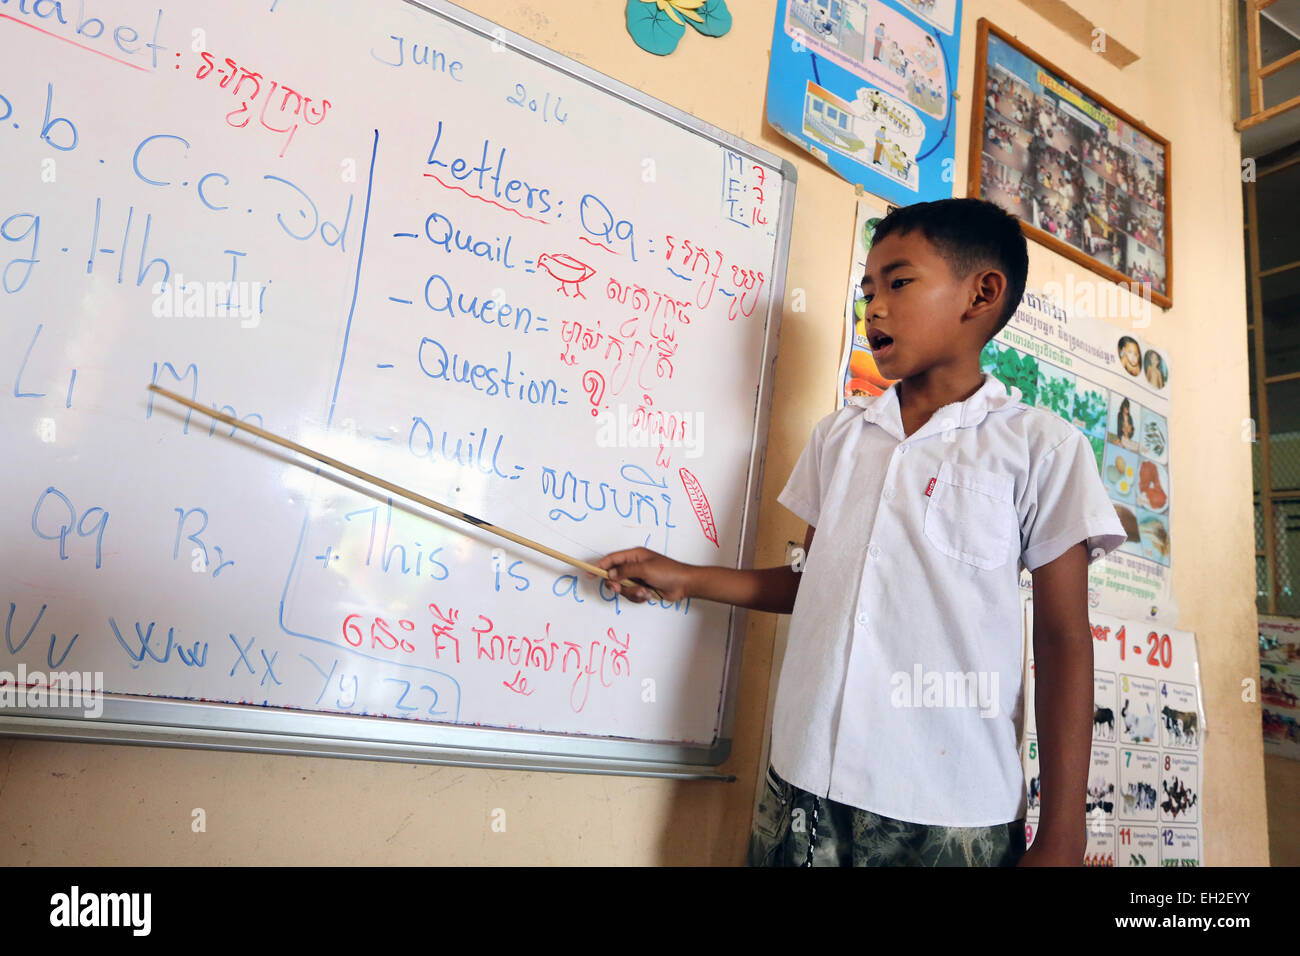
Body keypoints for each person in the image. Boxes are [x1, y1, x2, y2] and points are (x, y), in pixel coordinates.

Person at [595, 199, 1127, 867]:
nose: (873, 308)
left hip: (944, 808)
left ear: (982, 295)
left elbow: (1063, 641)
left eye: (898, 283)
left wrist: (1064, 834)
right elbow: (812, 582)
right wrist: (687, 576)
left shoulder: (1040, 448)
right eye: (867, 290)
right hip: (801, 785)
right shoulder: (842, 436)